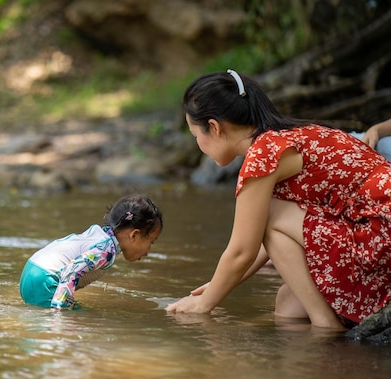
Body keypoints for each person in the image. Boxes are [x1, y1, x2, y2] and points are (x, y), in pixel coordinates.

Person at [166, 69, 391, 330]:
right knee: (288, 305)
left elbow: (243, 250)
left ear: (214, 127)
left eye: (196, 136)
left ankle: (326, 325)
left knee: (272, 213)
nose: (198, 144)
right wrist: (217, 284)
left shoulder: (263, 155)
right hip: (372, 231)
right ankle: (327, 350)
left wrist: (205, 304)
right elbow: (265, 238)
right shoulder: (286, 137)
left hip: (378, 234)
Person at [20, 194, 163, 309]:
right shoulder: (106, 251)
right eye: (151, 242)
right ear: (134, 235)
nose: (148, 251)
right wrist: (60, 311)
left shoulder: (98, 235)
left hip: (32, 271)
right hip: (45, 279)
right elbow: (72, 270)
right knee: (79, 320)